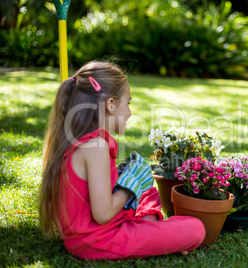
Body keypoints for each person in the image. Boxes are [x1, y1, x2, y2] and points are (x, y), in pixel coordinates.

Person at [38, 61, 205, 260]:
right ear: (110, 105)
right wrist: (129, 185)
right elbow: (103, 214)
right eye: (128, 103)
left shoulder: (79, 140)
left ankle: (152, 231)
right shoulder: (96, 147)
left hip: (87, 235)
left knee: (149, 192)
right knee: (195, 229)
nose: (129, 112)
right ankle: (155, 233)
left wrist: (123, 177)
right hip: (100, 240)